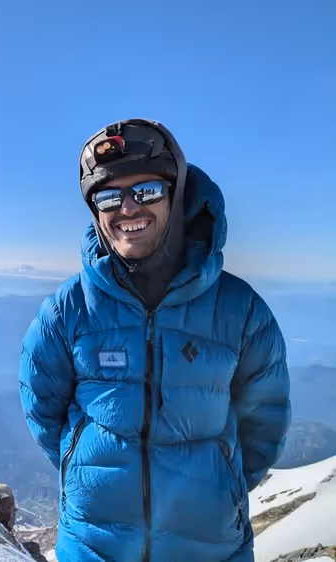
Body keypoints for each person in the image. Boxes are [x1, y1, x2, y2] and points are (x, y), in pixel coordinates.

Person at [18, 119, 291, 562]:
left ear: (176, 195)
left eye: (146, 191)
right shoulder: (67, 310)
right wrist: (84, 473)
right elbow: (42, 407)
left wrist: (221, 487)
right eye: (108, 197)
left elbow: (266, 419)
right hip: (93, 546)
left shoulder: (240, 311)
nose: (127, 208)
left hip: (209, 549)